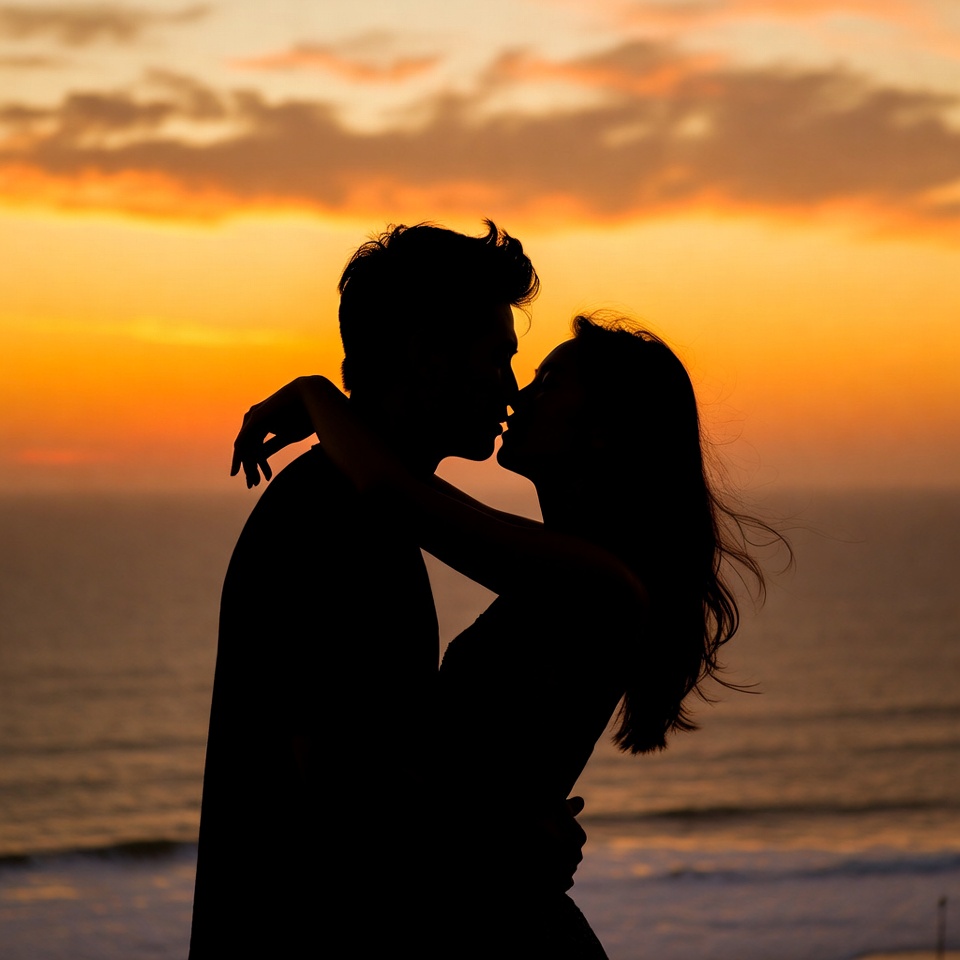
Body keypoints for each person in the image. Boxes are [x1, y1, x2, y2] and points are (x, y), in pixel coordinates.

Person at [232, 313, 784, 957]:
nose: (520, 393)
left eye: (548, 383)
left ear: (603, 433)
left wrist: (313, 394)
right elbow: (415, 489)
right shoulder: (565, 560)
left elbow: (392, 490)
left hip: (503, 934)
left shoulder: (596, 581)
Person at [188, 220, 573, 958]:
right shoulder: (335, 521)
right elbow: (342, 794)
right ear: (426, 356)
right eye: (497, 357)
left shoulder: (363, 511)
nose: (510, 387)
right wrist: (508, 835)